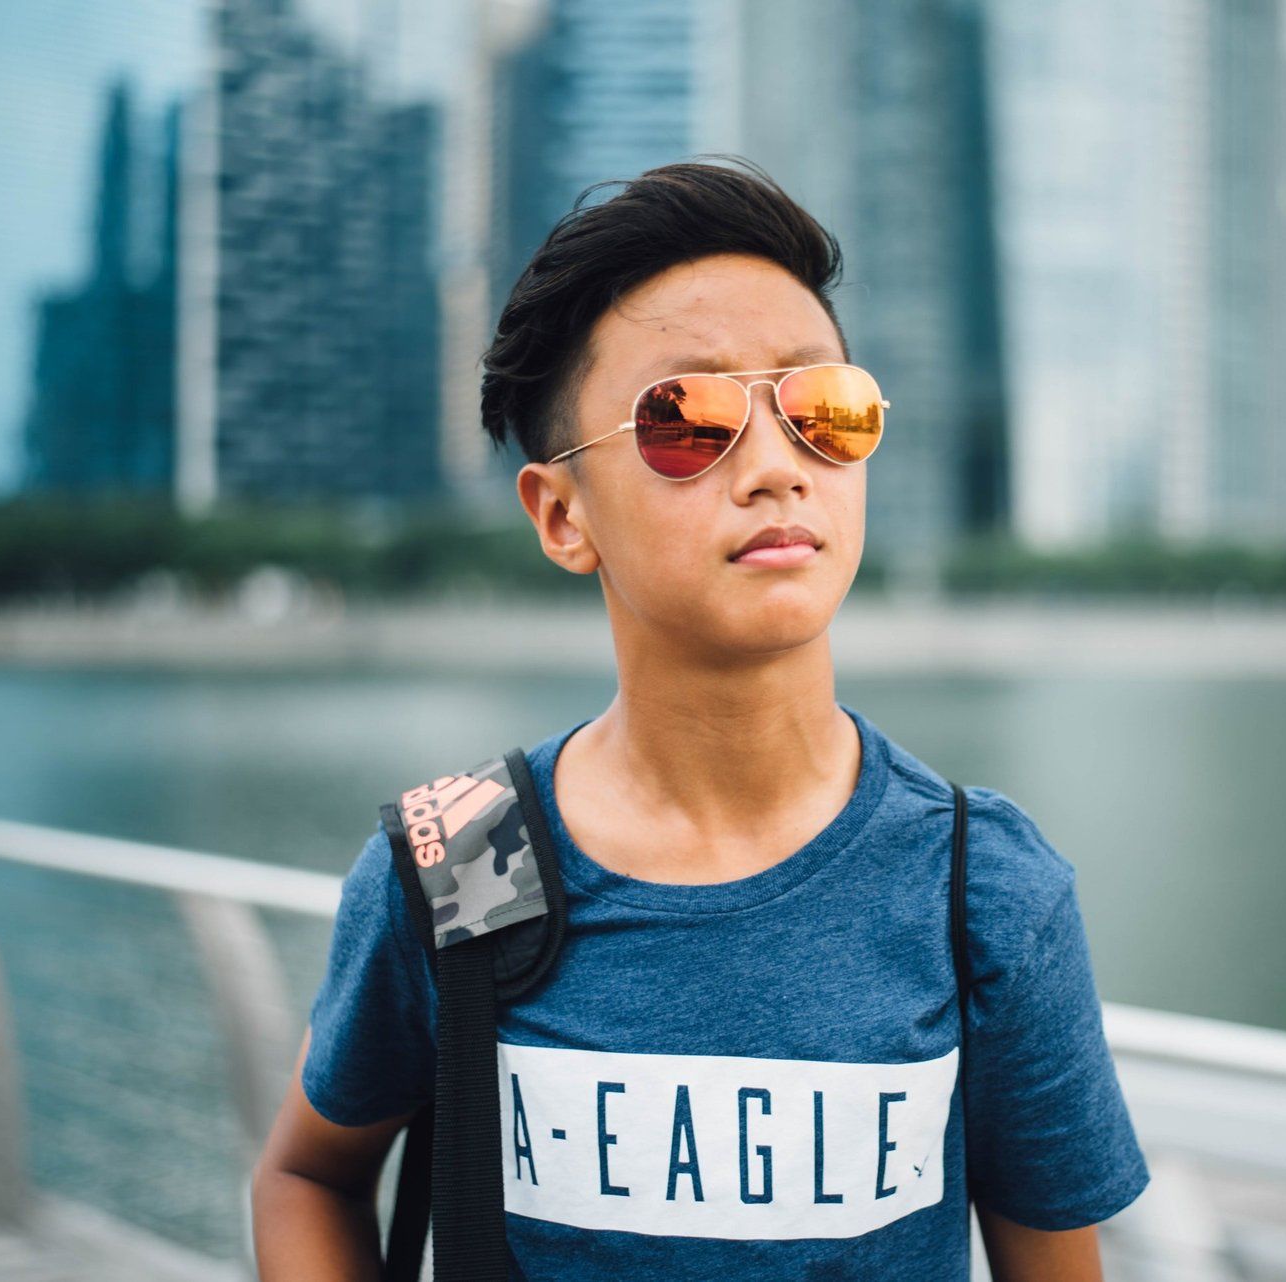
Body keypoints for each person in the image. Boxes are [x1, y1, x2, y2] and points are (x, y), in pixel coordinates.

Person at [250, 156, 1149, 1280]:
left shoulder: (978, 887)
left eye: (824, 411)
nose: (777, 467)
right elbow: (308, 1175)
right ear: (562, 515)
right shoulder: (468, 858)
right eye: (687, 420)